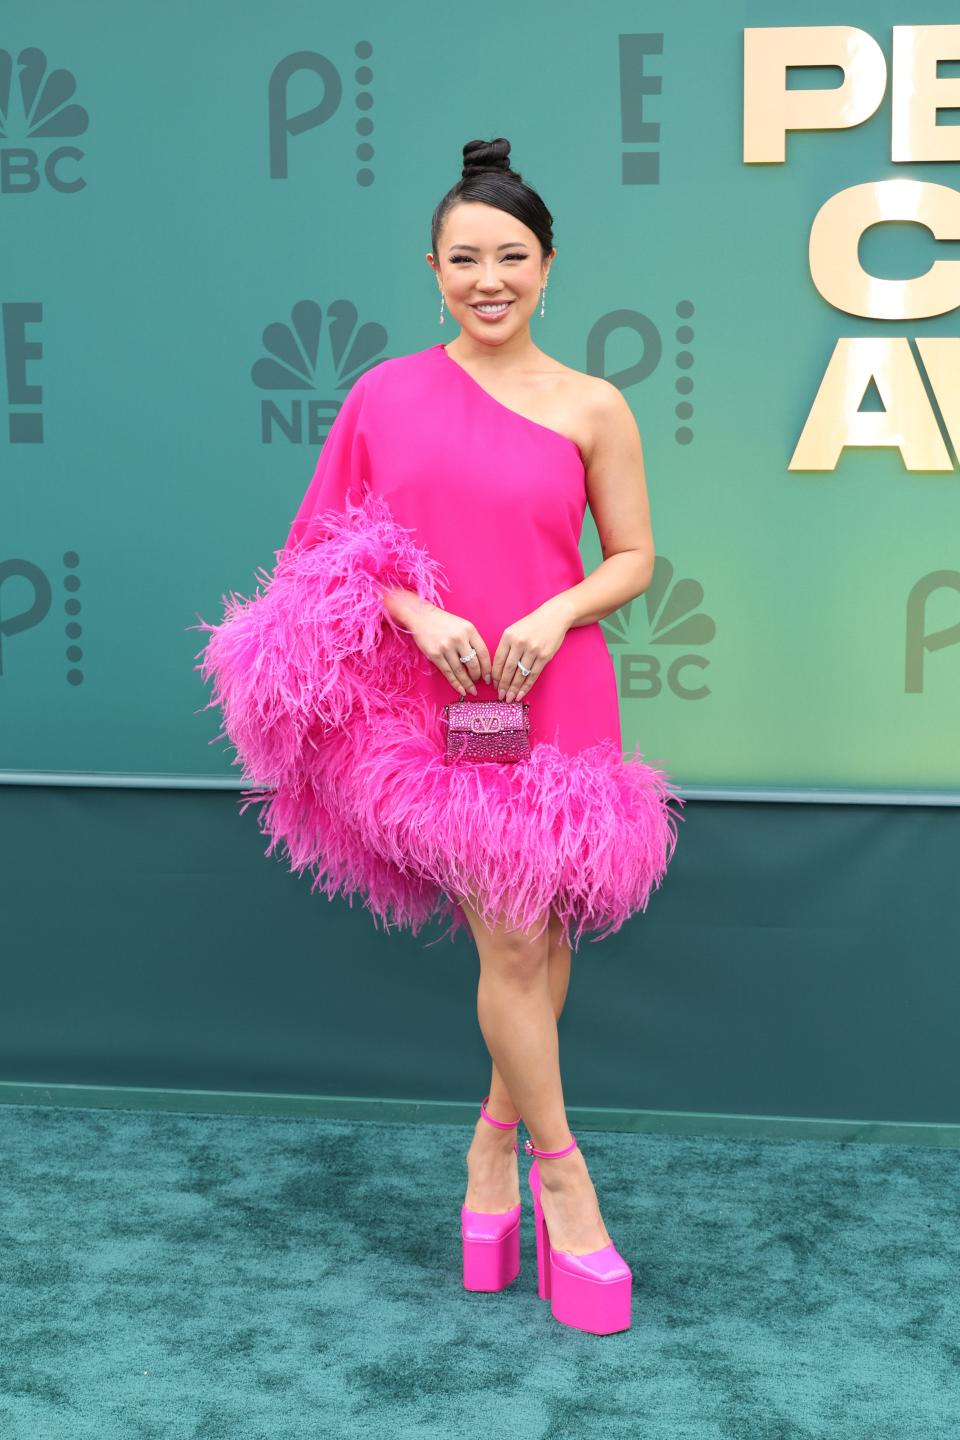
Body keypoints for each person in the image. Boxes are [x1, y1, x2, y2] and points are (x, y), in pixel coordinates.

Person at [192, 136, 683, 1335]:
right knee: (510, 941)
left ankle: (487, 1150)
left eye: (511, 256)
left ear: (550, 267)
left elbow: (633, 557)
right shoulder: (382, 394)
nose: (489, 277)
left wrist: (556, 609)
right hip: (433, 709)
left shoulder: (591, 403)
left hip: (556, 692)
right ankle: (565, 1185)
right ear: (433, 269)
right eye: (465, 258)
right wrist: (419, 609)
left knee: (550, 937)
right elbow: (318, 551)